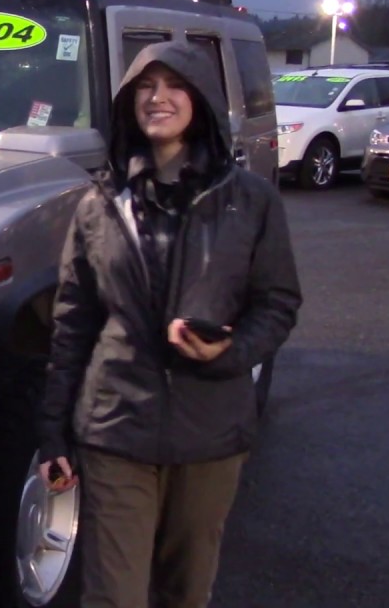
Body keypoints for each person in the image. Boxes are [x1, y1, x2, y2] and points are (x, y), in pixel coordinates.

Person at [39, 41, 302, 608]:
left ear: (201, 99)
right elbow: (72, 325)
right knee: (115, 595)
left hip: (211, 431)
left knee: (186, 590)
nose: (157, 98)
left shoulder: (249, 201)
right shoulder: (100, 204)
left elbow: (278, 302)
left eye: (173, 85)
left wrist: (230, 352)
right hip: (115, 426)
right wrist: (53, 432)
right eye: (144, 87)